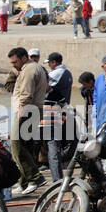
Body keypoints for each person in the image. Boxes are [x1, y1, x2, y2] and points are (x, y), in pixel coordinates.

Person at [6, 47, 47, 195]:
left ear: (24, 58)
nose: (13, 65)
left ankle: (35, 178)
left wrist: (22, 110)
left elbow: (27, 93)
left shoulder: (29, 70)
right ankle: (24, 182)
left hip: (27, 110)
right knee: (27, 146)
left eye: (15, 62)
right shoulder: (33, 68)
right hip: (33, 110)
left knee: (16, 145)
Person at [42, 52, 74, 182]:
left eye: (49, 63)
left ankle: (57, 179)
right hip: (63, 109)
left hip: (53, 111)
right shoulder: (68, 73)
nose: (49, 65)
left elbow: (46, 90)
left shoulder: (56, 73)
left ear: (54, 62)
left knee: (53, 146)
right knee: (64, 142)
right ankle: (59, 172)